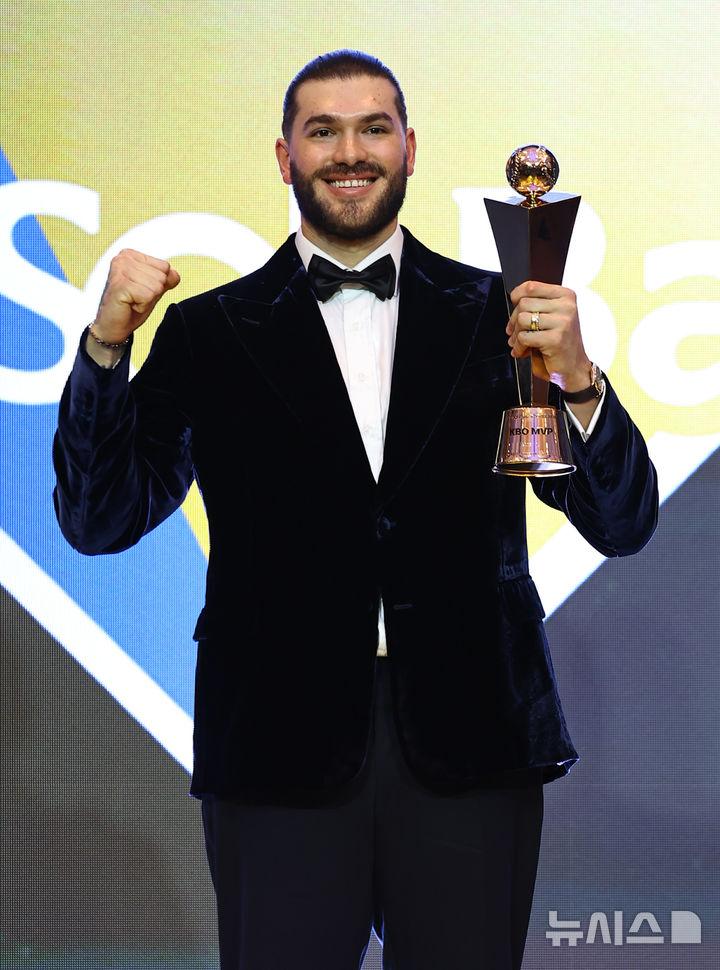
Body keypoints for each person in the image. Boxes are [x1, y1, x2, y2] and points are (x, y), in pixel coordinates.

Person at [53, 50, 658, 970]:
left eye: (373, 128)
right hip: (275, 745)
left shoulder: (499, 319)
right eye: (322, 131)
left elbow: (622, 522)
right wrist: (104, 348)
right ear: (284, 157)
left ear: (410, 149)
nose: (349, 152)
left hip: (472, 738)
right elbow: (98, 519)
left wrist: (576, 377)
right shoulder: (210, 333)